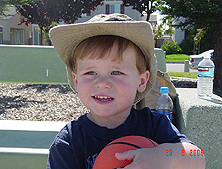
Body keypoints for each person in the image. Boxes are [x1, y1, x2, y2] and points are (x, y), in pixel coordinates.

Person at [47, 13, 205, 169]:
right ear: (76, 80)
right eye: (90, 72)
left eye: (116, 72)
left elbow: (197, 156)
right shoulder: (70, 142)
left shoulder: (154, 126)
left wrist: (166, 155)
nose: (102, 83)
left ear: (141, 81)